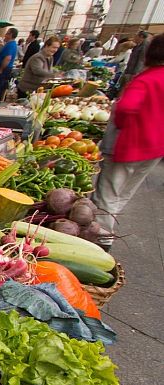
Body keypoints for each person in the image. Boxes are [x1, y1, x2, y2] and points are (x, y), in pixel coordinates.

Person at [91, 34, 164, 250]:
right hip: (155, 147)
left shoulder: (146, 79)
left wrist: (122, 124)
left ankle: (102, 241)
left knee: (108, 194)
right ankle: (106, 231)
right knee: (123, 193)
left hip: (130, 144)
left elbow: (125, 108)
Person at [0, 27, 18, 103]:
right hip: (4, 68)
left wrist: (1, 69)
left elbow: (8, 58)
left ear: (11, 35)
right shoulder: (10, 44)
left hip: (4, 69)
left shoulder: (10, 45)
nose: (5, 35)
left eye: (7, 33)